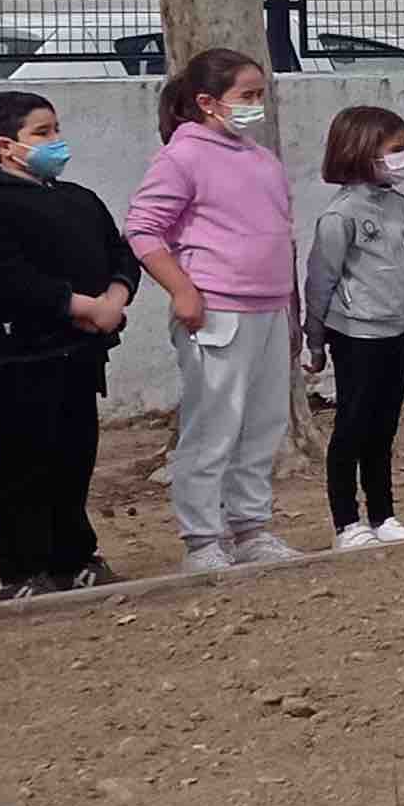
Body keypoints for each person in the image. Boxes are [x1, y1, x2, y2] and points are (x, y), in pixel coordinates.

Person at [124, 49, 306, 574]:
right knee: (213, 427)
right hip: (217, 311)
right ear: (206, 102)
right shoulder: (182, 157)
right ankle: (203, 538)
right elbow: (143, 228)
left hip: (269, 308)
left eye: (259, 96)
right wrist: (182, 290)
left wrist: (289, 310)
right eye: (245, 97)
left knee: (261, 425)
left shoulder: (262, 161)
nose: (256, 106)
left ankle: (251, 528)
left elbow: (283, 239)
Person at [0, 89, 134, 598]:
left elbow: (118, 253)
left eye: (56, 129)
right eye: (42, 133)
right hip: (22, 358)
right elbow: (10, 280)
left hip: (80, 355)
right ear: (5, 146)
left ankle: (74, 555)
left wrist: (114, 299)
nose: (56, 141)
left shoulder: (79, 199)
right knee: (21, 466)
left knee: (73, 459)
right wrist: (82, 306)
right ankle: (19, 568)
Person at [300, 104, 404, 551]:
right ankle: (346, 522)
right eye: (394, 150)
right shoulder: (341, 215)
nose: (403, 159)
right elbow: (321, 279)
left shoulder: (397, 204)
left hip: (394, 328)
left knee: (384, 426)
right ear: (360, 150)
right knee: (353, 425)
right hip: (355, 333)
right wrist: (314, 340)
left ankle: (383, 513)